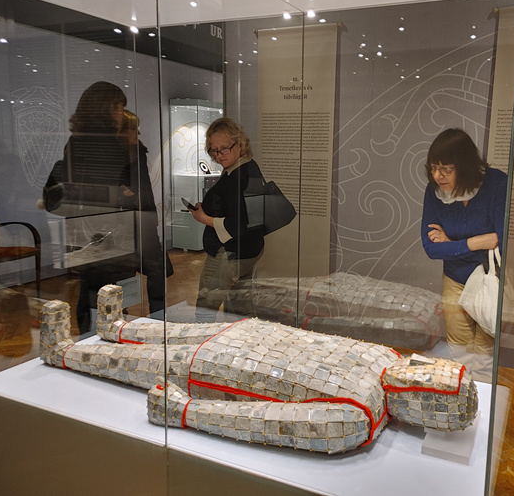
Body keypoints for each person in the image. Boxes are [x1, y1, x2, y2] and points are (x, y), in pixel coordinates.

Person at [40, 283, 479, 454]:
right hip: (245, 338)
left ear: (423, 405)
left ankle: (62, 352)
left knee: (135, 362)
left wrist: (186, 411)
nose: (420, 371)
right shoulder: (389, 359)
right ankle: (117, 327)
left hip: (216, 367)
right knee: (166, 331)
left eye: (430, 384)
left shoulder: (357, 416)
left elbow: (266, 419)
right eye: (435, 369)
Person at [43, 81, 134, 335]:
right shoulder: (107, 144)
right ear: (105, 109)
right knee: (111, 295)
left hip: (85, 230)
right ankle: (105, 340)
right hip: (106, 231)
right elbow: (104, 191)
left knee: (90, 290)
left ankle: (88, 339)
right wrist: (124, 192)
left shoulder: (77, 140)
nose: (121, 114)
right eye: (118, 108)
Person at [420, 128, 507, 382]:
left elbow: (503, 243)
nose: (437, 176)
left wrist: (451, 243)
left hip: (489, 280)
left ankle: (481, 402)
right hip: (455, 279)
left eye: (446, 169)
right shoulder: (434, 191)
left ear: (465, 166)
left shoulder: (496, 184)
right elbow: (431, 248)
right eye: (433, 168)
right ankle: (463, 401)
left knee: (484, 354)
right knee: (459, 353)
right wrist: (477, 242)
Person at [187, 117, 265, 322]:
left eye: (224, 149)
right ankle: (247, 340)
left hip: (230, 252)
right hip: (248, 249)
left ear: (239, 144)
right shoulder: (247, 167)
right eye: (214, 150)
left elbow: (237, 223)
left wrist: (203, 217)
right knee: (241, 306)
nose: (219, 155)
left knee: (206, 307)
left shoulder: (239, 176)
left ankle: (203, 342)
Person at [118, 110, 174, 317]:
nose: (138, 133)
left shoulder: (138, 151)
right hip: (125, 220)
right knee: (125, 270)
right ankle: (122, 316)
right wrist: (123, 193)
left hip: (144, 218)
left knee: (156, 268)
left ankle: (158, 315)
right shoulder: (118, 155)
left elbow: (143, 187)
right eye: (133, 129)